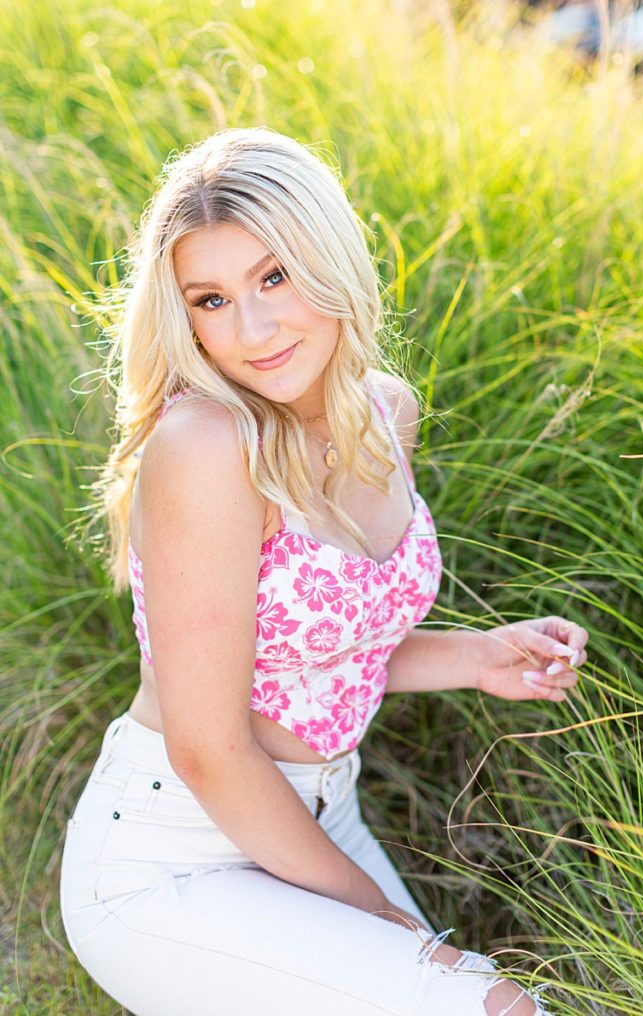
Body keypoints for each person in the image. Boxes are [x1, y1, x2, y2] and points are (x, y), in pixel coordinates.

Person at [59, 127, 588, 1016]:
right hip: (172, 852)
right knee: (497, 1007)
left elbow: (334, 645)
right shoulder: (207, 446)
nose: (254, 328)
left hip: (309, 816)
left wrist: (476, 656)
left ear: (331, 257)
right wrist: (374, 913)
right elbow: (207, 747)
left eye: (276, 276)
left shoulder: (387, 414)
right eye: (212, 299)